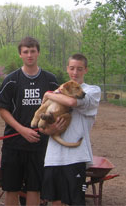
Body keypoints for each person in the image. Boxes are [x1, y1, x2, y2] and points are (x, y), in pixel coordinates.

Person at [0, 36, 59, 206]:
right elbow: (3, 110)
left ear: (38, 53)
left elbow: (57, 109)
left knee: (34, 188)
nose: (29, 55)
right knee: (11, 188)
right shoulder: (11, 80)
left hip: (39, 144)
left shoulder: (50, 80)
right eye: (25, 52)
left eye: (32, 51)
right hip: (14, 143)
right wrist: (22, 130)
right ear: (20, 55)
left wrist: (50, 128)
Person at [40, 53, 101, 206]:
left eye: (79, 69)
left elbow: (72, 101)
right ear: (67, 69)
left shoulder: (92, 91)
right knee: (56, 201)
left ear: (86, 70)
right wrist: (50, 130)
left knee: (75, 202)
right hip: (53, 157)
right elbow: (42, 127)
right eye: (72, 68)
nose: (75, 73)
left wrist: (48, 94)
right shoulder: (59, 91)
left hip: (76, 157)